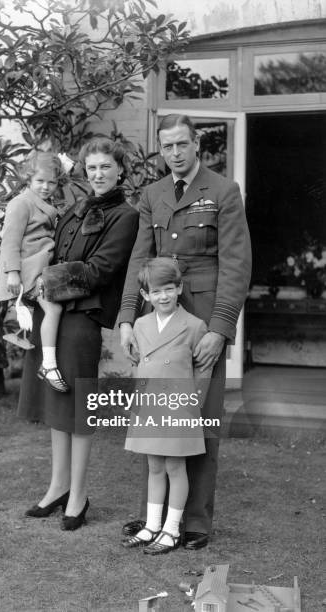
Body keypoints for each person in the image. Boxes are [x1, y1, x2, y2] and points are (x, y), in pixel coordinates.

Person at [119, 114, 252, 549]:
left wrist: (221, 327)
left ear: (197, 144)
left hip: (203, 322)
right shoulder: (153, 193)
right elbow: (140, 262)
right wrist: (126, 319)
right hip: (158, 324)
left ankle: (193, 523)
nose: (174, 153)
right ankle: (152, 518)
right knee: (155, 417)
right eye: (166, 146)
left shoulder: (223, 191)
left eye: (181, 144)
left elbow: (236, 264)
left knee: (201, 419)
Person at [18, 137, 139, 529]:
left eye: (106, 167)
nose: (98, 174)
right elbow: (52, 250)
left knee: (79, 408)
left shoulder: (125, 216)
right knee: (57, 407)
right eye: (92, 168)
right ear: (84, 171)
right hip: (51, 313)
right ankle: (58, 488)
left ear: (120, 169)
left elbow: (99, 270)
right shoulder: (75, 208)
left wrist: (43, 283)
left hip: (82, 318)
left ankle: (80, 495)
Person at [122, 258, 211, 555]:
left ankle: (171, 530)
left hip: (178, 407)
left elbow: (203, 368)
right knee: (154, 466)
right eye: (157, 291)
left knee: (175, 466)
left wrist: (192, 403)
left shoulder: (195, 326)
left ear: (179, 288)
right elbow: (142, 368)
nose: (164, 296)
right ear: (146, 295)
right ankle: (151, 525)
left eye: (169, 289)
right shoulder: (141, 324)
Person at [0, 150, 68, 392]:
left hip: (43, 268)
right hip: (28, 271)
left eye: (52, 182)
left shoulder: (46, 204)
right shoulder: (21, 203)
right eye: (40, 181)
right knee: (54, 308)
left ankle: (46, 363)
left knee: (54, 309)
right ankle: (48, 364)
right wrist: (13, 273)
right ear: (28, 179)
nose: (46, 187)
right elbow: (10, 241)